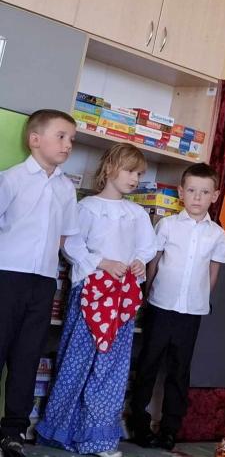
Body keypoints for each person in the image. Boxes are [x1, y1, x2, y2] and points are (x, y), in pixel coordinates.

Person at [37, 144, 155, 457]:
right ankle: (61, 431)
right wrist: (103, 263)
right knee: (76, 363)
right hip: (91, 294)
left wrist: (139, 262)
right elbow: (71, 245)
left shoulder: (137, 214)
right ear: (110, 168)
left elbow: (147, 247)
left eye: (139, 174)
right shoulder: (87, 207)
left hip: (121, 299)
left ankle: (98, 439)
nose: (135, 179)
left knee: (111, 369)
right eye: (130, 171)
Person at [130, 163, 225, 450]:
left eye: (205, 192)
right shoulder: (167, 225)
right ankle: (139, 425)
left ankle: (169, 429)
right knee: (148, 365)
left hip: (191, 312)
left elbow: (212, 273)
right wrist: (148, 294)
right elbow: (154, 263)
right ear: (181, 193)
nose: (198, 197)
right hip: (160, 306)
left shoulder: (217, 235)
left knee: (179, 370)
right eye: (192, 190)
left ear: (215, 196)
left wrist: (200, 299)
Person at [0, 110, 79, 457]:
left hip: (44, 282)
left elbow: (65, 238)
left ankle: (12, 432)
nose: (68, 144)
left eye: (72, 139)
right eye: (61, 136)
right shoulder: (11, 180)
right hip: (6, 277)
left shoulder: (66, 188)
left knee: (27, 357)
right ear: (35, 139)